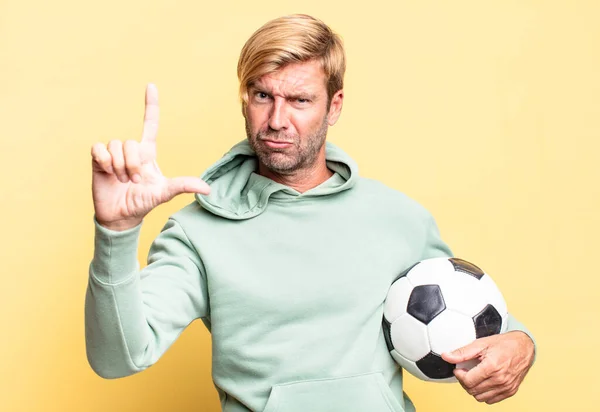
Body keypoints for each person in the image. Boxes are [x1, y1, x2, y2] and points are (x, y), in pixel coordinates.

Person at [86, 14, 535, 412]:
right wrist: (117, 232)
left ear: (333, 105)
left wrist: (520, 343)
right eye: (263, 95)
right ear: (245, 99)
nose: (277, 119)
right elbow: (118, 357)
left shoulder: (399, 217)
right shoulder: (197, 231)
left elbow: (467, 309)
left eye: (299, 100)